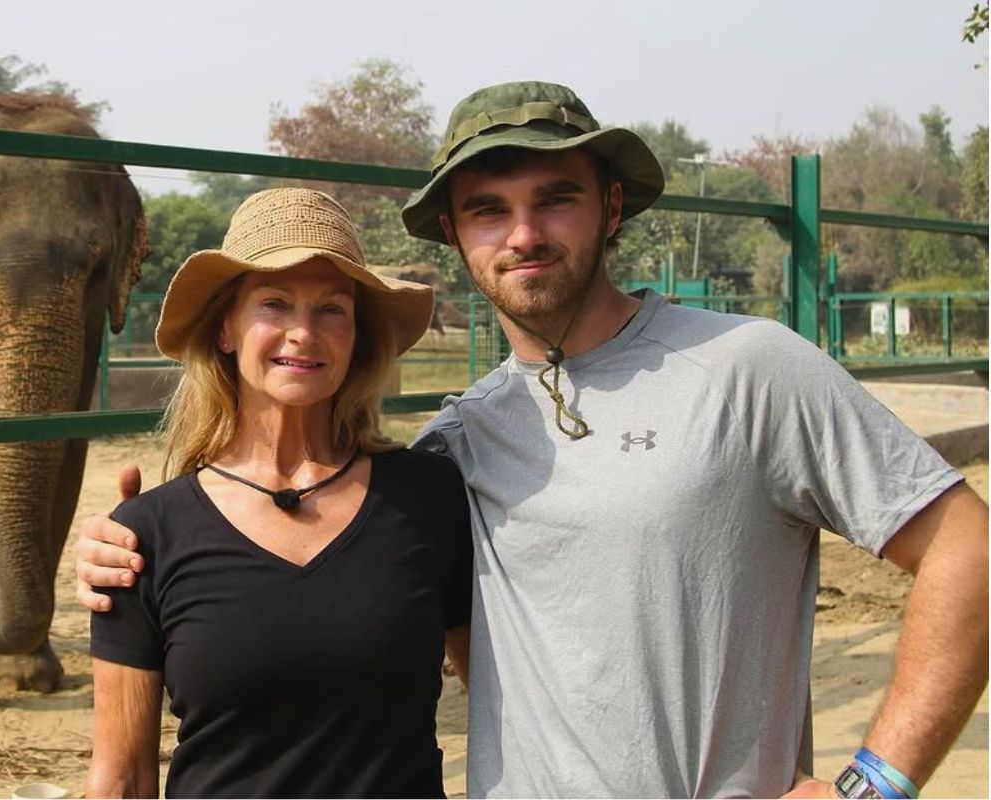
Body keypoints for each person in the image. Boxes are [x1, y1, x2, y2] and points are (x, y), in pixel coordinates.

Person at [76, 83, 988, 798]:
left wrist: (877, 783)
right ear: (454, 236)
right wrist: (131, 551)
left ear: (612, 206)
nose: (524, 234)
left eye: (556, 198)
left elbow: (968, 550)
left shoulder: (747, 369)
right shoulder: (450, 455)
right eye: (487, 210)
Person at [84, 187, 473, 799]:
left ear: (358, 335)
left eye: (331, 309)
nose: (303, 333)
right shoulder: (144, 536)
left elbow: (501, 700)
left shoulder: (431, 498)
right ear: (225, 330)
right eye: (274, 303)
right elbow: (121, 780)